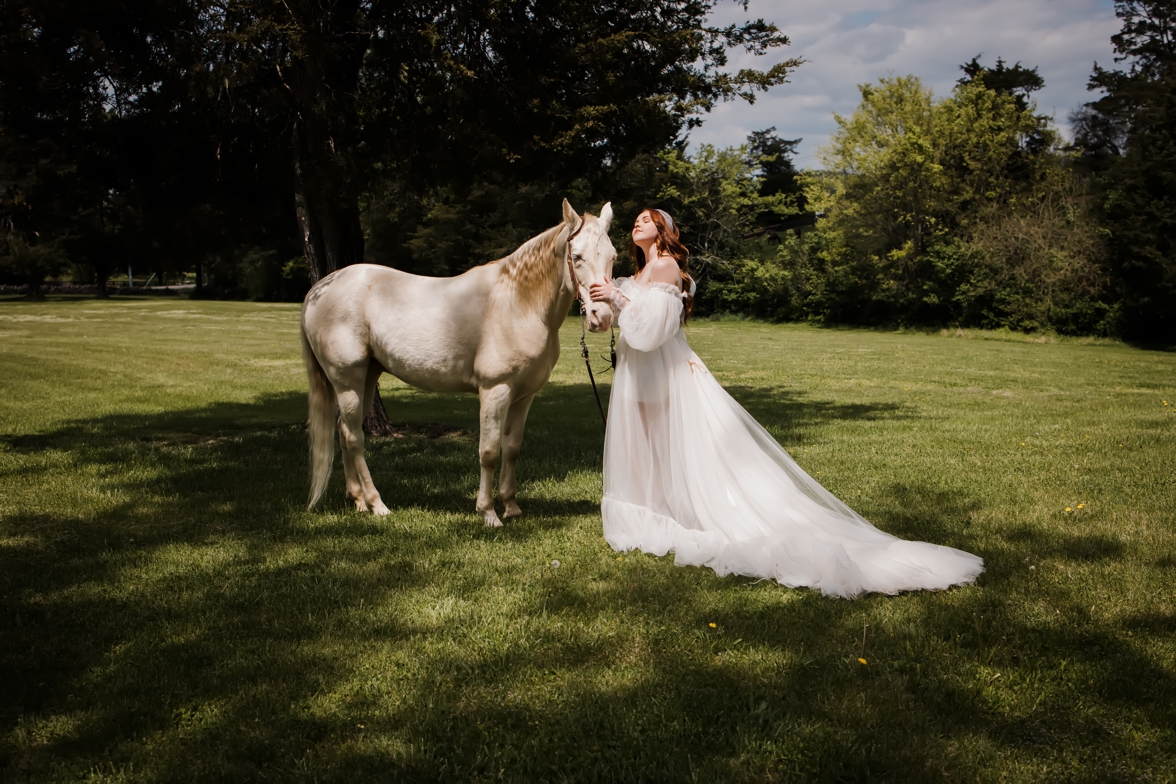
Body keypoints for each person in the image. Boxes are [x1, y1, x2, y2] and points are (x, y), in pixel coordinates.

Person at [588, 209, 983, 598]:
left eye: (647, 218)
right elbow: (612, 316)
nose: (637, 222)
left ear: (663, 231)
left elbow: (656, 329)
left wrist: (619, 298)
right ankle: (653, 514)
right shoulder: (633, 274)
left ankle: (689, 512)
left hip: (663, 368)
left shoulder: (666, 268)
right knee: (645, 442)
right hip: (635, 371)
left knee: (673, 442)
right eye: (635, 219)